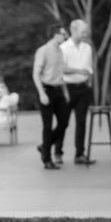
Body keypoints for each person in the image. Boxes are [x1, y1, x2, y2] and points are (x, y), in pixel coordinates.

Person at [60, 18, 97, 165]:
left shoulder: (87, 47)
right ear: (73, 30)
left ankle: (80, 154)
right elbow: (61, 69)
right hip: (68, 88)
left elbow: (89, 70)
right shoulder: (63, 48)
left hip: (83, 88)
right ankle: (58, 152)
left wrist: (89, 86)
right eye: (83, 31)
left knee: (81, 121)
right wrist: (78, 70)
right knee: (64, 122)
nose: (85, 34)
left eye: (86, 31)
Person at [33, 23, 69, 170]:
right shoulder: (43, 51)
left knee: (64, 123)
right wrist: (42, 93)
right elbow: (36, 74)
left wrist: (65, 92)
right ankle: (47, 159)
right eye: (62, 34)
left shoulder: (60, 51)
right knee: (47, 126)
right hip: (46, 89)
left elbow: (61, 73)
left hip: (58, 89)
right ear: (55, 35)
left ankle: (44, 146)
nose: (65, 36)